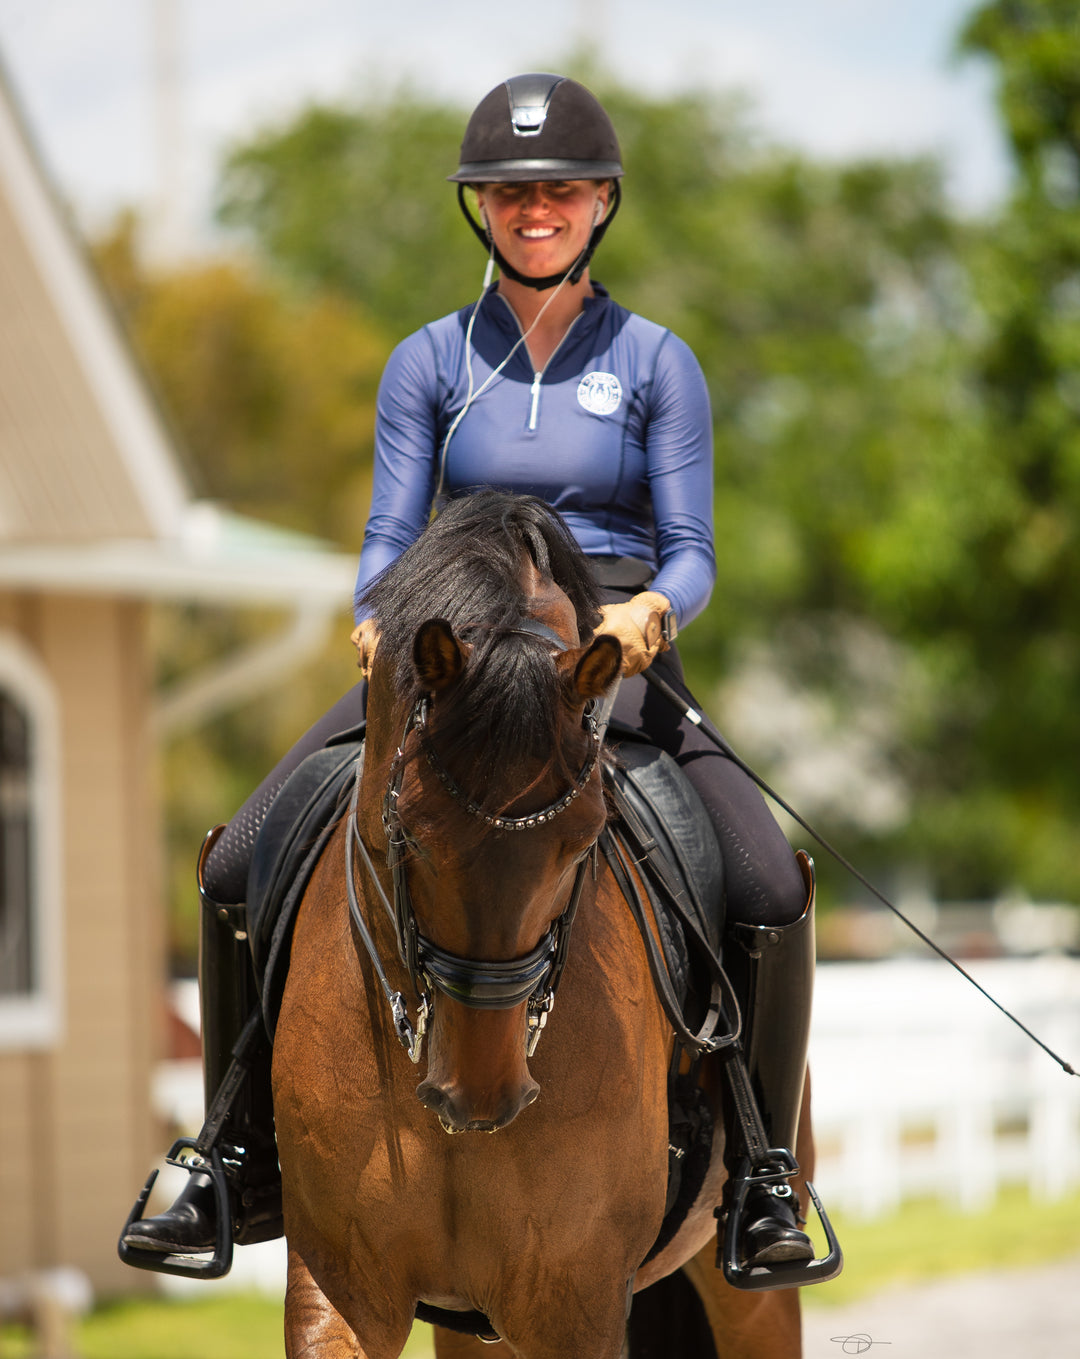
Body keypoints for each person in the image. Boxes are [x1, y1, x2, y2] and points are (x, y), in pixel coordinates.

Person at [122, 72, 815, 1275]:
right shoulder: (431, 363)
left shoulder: (657, 362)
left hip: (602, 663)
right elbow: (392, 541)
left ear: (601, 202)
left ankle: (761, 1177)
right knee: (239, 859)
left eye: (556, 189)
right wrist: (377, 620)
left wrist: (652, 607)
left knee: (768, 883)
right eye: (506, 192)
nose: (531, 209)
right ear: (478, 211)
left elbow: (695, 549)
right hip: (448, 661)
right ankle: (232, 1152)